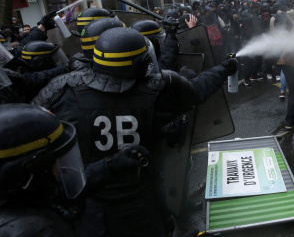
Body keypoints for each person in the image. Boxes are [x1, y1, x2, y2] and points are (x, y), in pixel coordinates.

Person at [32, 27, 238, 236]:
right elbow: (198, 90)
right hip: (144, 200)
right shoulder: (157, 89)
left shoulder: (63, 89)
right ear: (142, 62)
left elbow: (33, 122)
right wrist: (224, 68)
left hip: (92, 205)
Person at [0, 103, 86, 236]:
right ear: (32, 169)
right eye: (55, 161)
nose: (60, 168)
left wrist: (111, 165)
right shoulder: (42, 230)